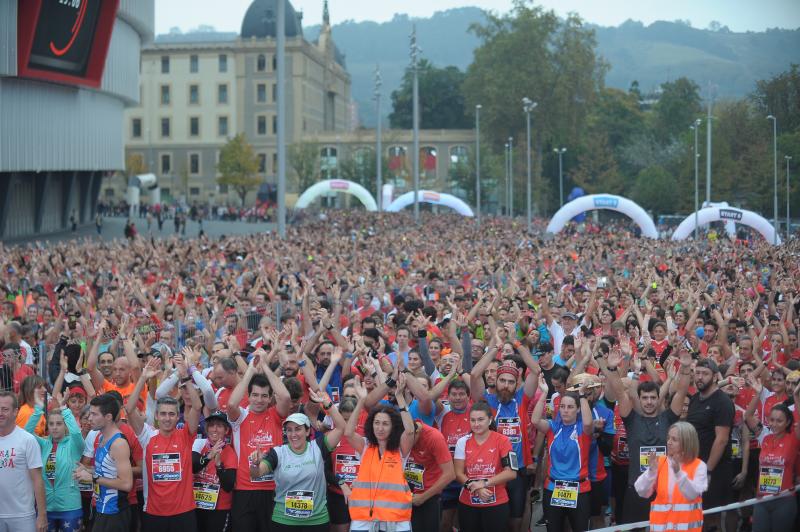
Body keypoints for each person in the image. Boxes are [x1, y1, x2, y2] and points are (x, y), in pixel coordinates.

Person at [600, 345, 691, 525]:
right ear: (639, 400)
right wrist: (611, 368)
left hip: (664, 488)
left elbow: (681, 392)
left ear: (659, 399)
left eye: (653, 398)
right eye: (645, 398)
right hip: (637, 488)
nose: (649, 402)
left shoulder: (668, 418)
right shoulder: (632, 420)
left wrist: (686, 369)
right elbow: (619, 391)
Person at [248, 389, 344, 531]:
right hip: (283, 522)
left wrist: (327, 404)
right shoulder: (278, 452)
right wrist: (255, 465)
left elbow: (341, 427)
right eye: (289, 430)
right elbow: (256, 474)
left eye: (298, 429)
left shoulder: (318, 447)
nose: (293, 434)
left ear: (307, 431)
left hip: (316, 522)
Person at [126, 355, 202, 531]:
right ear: (157, 417)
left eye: (171, 414)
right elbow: (129, 409)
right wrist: (143, 378)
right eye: (163, 414)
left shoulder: (185, 435)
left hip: (184, 513)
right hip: (154, 513)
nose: (167, 418)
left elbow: (197, 407)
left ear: (177, 416)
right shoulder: (148, 436)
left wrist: (185, 377)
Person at [226, 348, 292, 532]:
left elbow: (285, 397)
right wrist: (250, 371)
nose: (259, 400)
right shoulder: (241, 417)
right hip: (244, 491)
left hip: (272, 490)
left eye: (264, 396)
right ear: (248, 396)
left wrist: (265, 366)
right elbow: (231, 404)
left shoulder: (275, 416)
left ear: (270, 398)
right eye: (254, 395)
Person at [344, 373, 416, 532]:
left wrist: (400, 398)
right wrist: (361, 401)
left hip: (396, 520)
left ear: (393, 427)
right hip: (363, 520)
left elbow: (410, 431)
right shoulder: (365, 446)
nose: (380, 428)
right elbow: (348, 433)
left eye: (385, 424)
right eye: (376, 423)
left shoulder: (399, 450)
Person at [530, 375, 594, 532]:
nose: (565, 410)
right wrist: (544, 392)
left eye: (570, 407)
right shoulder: (553, 427)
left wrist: (582, 395)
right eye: (563, 406)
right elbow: (535, 420)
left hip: (579, 490)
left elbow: (588, 423)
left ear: (578, 409)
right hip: (553, 487)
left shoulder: (582, 430)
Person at [23, 392, 84, 532]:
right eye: (51, 424)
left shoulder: (74, 445)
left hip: (70, 507)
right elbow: (26, 434)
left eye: (59, 424)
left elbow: (76, 433)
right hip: (47, 507)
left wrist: (64, 409)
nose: (55, 427)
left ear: (65, 425)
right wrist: (38, 410)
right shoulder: (43, 445)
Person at [453, 400, 518, 532]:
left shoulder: (503, 440)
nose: (476, 424)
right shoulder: (462, 442)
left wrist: (484, 483)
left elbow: (511, 473)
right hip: (468, 503)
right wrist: (477, 488)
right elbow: (458, 474)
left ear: (490, 420)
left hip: (497, 502)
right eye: (472, 420)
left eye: (481, 419)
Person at [685, 358, 734, 532]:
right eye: (697, 373)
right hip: (693, 467)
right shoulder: (694, 400)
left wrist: (708, 471)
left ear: (714, 377)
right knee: (696, 515)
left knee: (711, 518)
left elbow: (721, 439)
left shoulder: (722, 402)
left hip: (714, 469)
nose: (699, 377)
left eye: (704, 374)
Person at [73, 394, 133, 532]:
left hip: (115, 512)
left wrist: (94, 478)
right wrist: (89, 470)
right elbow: (109, 471)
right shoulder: (100, 437)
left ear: (108, 417)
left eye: (94, 414)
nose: (89, 418)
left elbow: (126, 484)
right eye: (89, 414)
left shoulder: (119, 444)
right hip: (101, 508)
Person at [744, 383, 800, 531]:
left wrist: (795, 398)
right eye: (772, 420)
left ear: (788, 422)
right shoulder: (765, 438)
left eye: (779, 421)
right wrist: (758, 393)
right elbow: (748, 416)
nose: (774, 424)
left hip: (784, 500)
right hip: (762, 499)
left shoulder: (793, 439)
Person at [634, 421, 708, 532]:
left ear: (687, 442)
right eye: (668, 438)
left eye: (674, 439)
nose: (669, 442)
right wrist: (651, 472)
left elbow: (692, 494)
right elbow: (641, 491)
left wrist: (678, 473)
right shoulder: (661, 461)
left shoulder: (699, 466)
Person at [0, 390, 47, 532]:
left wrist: (42, 515)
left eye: (5, 409)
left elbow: (38, 479)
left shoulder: (27, 440)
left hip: (22, 516)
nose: (0, 413)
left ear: (15, 412)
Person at [405, 417, 456, 531]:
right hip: (405, 495)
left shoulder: (434, 437)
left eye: (409, 439)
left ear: (416, 431)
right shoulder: (400, 434)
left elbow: (450, 474)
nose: (405, 444)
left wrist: (423, 497)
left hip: (428, 496)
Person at [192, 411, 237, 532]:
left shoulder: (230, 452)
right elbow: (193, 467)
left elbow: (228, 486)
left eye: (219, 426)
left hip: (219, 509)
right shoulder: (199, 444)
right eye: (211, 425)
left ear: (226, 430)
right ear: (206, 429)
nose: (215, 429)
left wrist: (218, 465)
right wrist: (208, 456)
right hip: (197, 505)